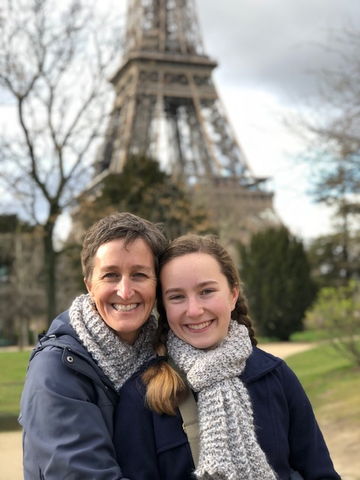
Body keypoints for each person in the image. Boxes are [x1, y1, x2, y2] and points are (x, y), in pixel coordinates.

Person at [114, 233, 341, 480]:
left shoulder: (276, 376)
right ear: (164, 307)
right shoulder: (140, 395)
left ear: (232, 295)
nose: (194, 310)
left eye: (207, 291)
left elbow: (320, 474)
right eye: (177, 296)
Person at [19, 212, 168, 479]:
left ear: (157, 284)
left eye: (139, 274)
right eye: (110, 275)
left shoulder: (167, 354)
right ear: (89, 285)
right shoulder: (55, 369)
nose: (125, 291)